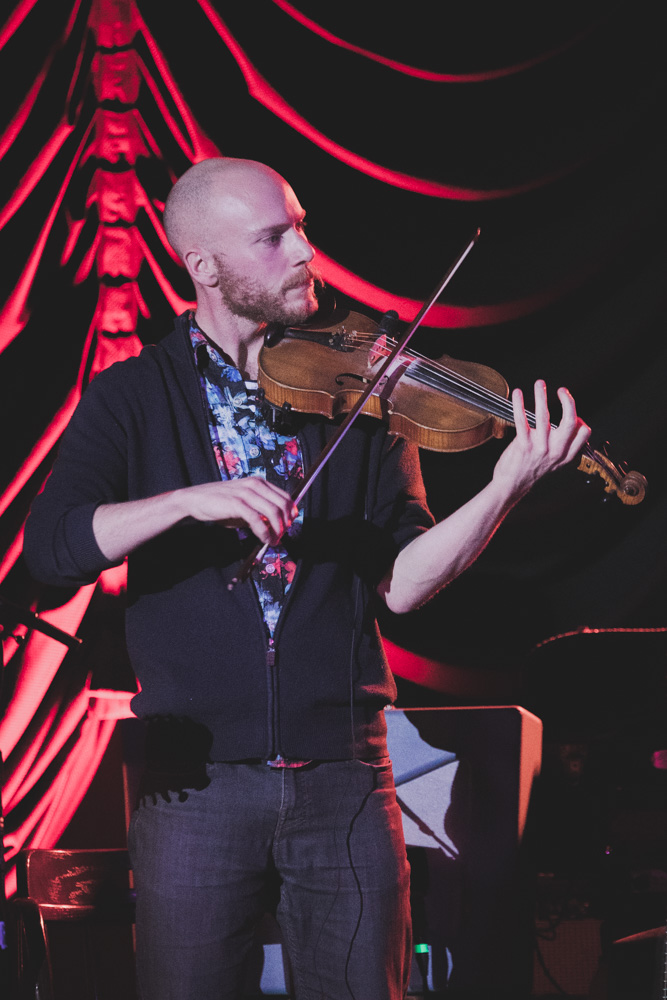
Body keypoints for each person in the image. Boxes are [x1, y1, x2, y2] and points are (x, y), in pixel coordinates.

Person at [23, 158, 590, 1000]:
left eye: (300, 226)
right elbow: (53, 546)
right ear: (203, 266)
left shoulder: (362, 394)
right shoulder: (133, 397)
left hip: (347, 782)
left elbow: (402, 581)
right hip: (195, 792)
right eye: (272, 236)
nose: (305, 252)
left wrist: (507, 483)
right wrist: (183, 501)